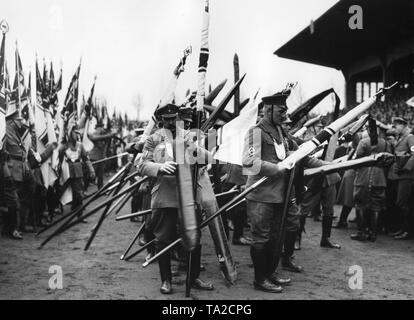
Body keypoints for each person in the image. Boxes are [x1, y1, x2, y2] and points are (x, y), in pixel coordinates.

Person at [242, 88, 326, 293]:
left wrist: (328, 165)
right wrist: (277, 168)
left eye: (285, 110)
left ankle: (269, 273)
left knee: (274, 237)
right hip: (261, 195)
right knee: (261, 237)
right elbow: (249, 161)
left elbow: (296, 155)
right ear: (268, 110)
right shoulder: (255, 132)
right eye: (281, 111)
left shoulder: (281, 132)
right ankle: (259, 279)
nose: (285, 114)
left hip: (281, 194)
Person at [138, 103, 214, 294]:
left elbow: (207, 158)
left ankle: (194, 277)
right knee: (163, 238)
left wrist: (191, 146)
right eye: (167, 119)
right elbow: (142, 165)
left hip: (188, 196)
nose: (171, 122)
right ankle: (166, 280)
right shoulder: (153, 139)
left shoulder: (189, 136)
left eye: (174, 118)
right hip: (165, 196)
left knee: (194, 238)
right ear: (161, 119)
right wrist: (159, 168)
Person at [351, 120, 392, 241]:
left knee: (360, 204)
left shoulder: (363, 142)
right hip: (379, 177)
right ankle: (373, 234)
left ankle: (361, 232)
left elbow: (357, 159)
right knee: (376, 206)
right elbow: (389, 160)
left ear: (369, 130)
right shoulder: (385, 143)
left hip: (364, 176)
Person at [59, 123, 96, 219]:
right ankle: (54, 212)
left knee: (78, 194)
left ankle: (79, 215)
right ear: (70, 133)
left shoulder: (80, 145)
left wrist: (91, 170)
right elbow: (58, 159)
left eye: (78, 133)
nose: (77, 135)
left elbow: (86, 159)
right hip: (66, 172)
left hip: (77, 172)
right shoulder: (64, 146)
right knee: (59, 192)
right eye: (75, 133)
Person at [386, 117, 414, 240]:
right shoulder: (402, 138)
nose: (394, 128)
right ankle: (402, 229)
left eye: (396, 126)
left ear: (403, 125)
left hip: (407, 175)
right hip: (401, 175)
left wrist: (406, 168)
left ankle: (407, 231)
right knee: (401, 203)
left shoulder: (410, 137)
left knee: (403, 203)